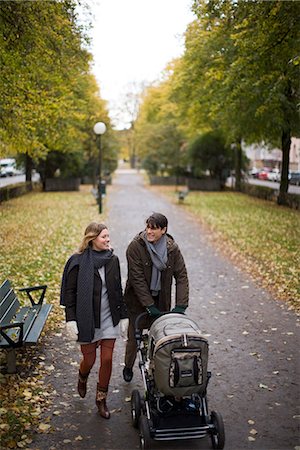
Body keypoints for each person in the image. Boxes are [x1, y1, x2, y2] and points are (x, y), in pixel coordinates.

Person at [60, 222, 129, 419]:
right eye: (104, 237)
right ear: (92, 239)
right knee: (89, 360)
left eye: (108, 236)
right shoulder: (77, 262)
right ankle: (82, 377)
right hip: (86, 319)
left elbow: (117, 290)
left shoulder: (113, 260)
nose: (108, 240)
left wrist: (123, 315)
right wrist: (70, 320)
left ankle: (101, 399)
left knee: (107, 359)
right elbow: (70, 293)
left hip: (109, 317)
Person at [123, 212, 189, 382]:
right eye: (148, 228)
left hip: (161, 301)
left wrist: (181, 305)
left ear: (164, 230)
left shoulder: (172, 249)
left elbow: (181, 276)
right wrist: (148, 305)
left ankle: (156, 371)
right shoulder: (135, 247)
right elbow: (136, 280)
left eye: (154, 229)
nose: (149, 232)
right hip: (137, 302)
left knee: (159, 339)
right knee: (134, 339)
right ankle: (128, 366)